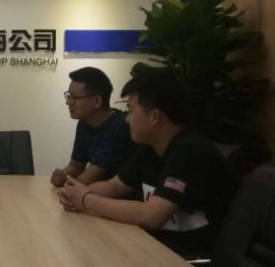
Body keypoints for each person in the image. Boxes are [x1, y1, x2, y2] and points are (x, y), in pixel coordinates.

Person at [57, 68, 240, 255]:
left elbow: (153, 215)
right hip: (157, 244)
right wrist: (74, 195)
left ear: (154, 116)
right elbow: (114, 187)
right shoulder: (151, 148)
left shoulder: (189, 151)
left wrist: (86, 200)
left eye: (131, 110)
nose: (127, 119)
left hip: (191, 254)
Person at [50, 67, 135, 187]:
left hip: (120, 195)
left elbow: (90, 178)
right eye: (68, 96)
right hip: (96, 193)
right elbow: (75, 166)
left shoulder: (119, 126)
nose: (68, 102)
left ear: (97, 101)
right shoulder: (84, 123)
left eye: (74, 97)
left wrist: (67, 183)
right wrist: (61, 176)